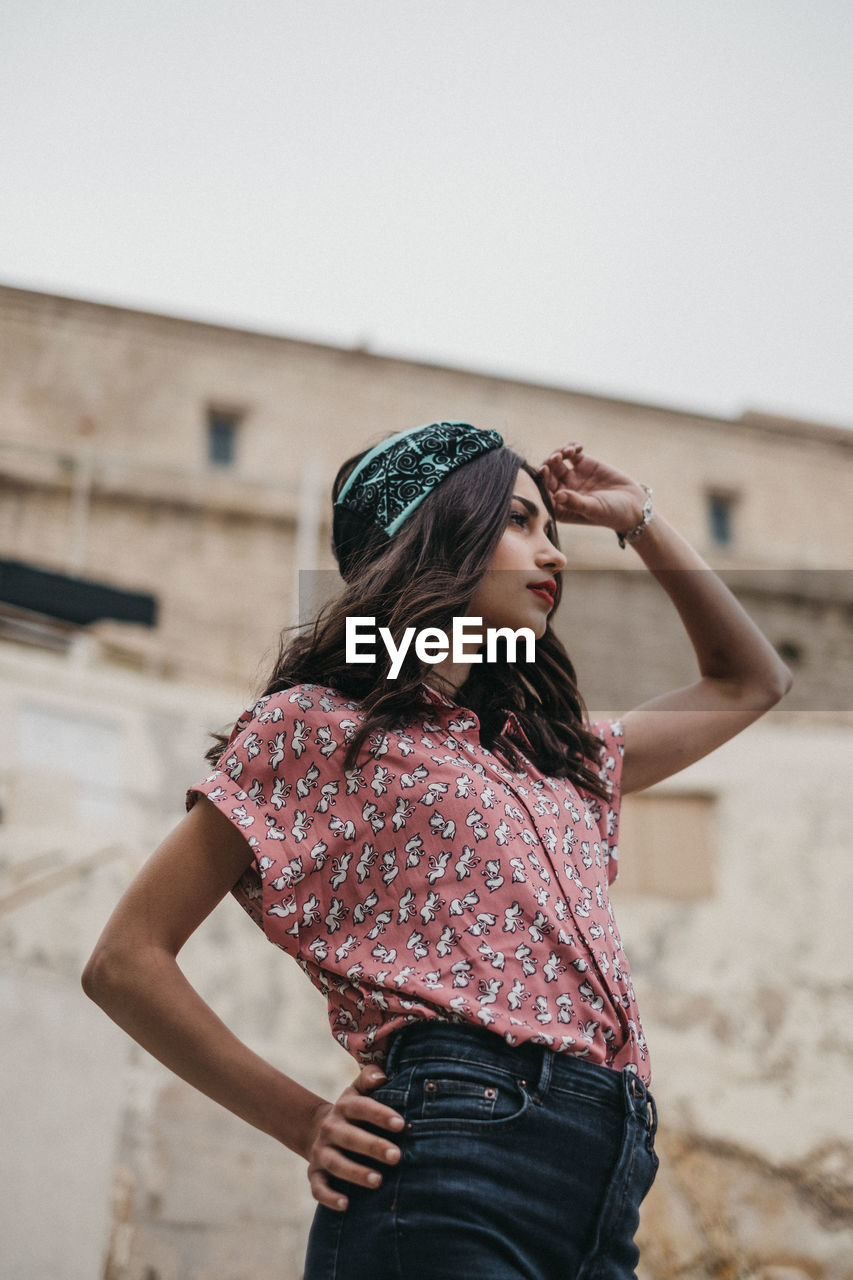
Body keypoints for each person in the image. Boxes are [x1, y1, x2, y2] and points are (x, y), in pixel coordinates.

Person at [82, 421, 793, 1279]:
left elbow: (749, 680)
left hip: (607, 1180)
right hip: (453, 1158)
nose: (553, 555)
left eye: (551, 530)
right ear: (441, 533)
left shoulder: (553, 755)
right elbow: (125, 959)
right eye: (520, 523)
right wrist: (302, 1120)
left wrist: (638, 518)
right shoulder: (315, 727)